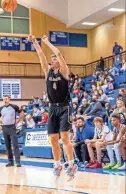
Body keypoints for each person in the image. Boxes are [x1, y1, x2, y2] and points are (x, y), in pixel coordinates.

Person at [28, 34, 77, 180]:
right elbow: (40, 55)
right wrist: (35, 42)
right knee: (54, 139)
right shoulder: (47, 71)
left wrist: (47, 42)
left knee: (65, 137)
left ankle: (71, 164)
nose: (54, 60)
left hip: (64, 107)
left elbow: (59, 54)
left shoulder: (64, 72)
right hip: (52, 108)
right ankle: (57, 164)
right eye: (53, 59)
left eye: (55, 59)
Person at [0, 96, 24, 167]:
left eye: (6, 99)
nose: (5, 100)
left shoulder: (14, 106)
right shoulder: (1, 109)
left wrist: (18, 120)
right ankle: (10, 161)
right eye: (3, 99)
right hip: (5, 128)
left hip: (12, 127)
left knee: (15, 144)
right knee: (7, 146)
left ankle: (18, 162)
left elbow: (22, 113)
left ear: (9, 100)